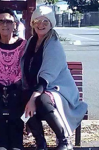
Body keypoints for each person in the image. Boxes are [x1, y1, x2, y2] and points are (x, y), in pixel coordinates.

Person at [22, 6, 88, 150]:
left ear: (51, 24)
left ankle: (64, 140)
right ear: (32, 23)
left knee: (42, 100)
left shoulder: (54, 44)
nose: (41, 24)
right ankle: (41, 143)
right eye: (38, 21)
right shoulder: (31, 42)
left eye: (45, 21)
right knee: (23, 97)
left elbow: (47, 77)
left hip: (58, 89)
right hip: (39, 88)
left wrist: (33, 98)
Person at [0, 8, 27, 150]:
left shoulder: (23, 45)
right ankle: (1, 143)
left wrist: (15, 83)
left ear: (15, 24)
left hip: (16, 86)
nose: (4, 24)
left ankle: (16, 144)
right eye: (0, 21)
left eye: (8, 21)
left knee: (16, 102)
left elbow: (23, 67)